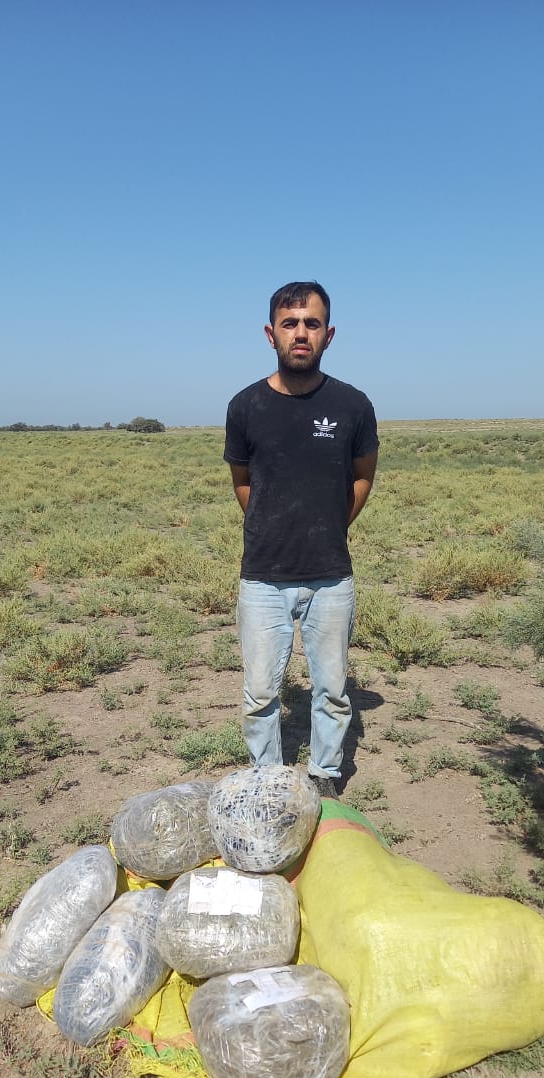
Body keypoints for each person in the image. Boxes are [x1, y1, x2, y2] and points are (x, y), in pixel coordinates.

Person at [224, 281, 379, 798]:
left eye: (312, 323)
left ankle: (325, 775)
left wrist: (330, 524)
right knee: (260, 694)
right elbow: (243, 483)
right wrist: (273, 525)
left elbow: (362, 477)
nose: (300, 333)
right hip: (262, 576)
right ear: (270, 334)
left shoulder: (353, 405)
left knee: (332, 690)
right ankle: (267, 782)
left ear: (328, 335)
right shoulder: (245, 406)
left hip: (331, 574)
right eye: (289, 323)